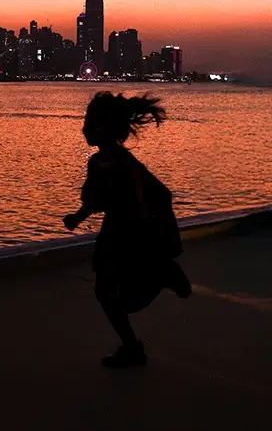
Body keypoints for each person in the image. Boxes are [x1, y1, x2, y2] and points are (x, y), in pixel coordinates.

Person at [63, 91, 191, 368]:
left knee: (114, 294)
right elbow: (99, 199)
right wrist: (78, 216)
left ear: (108, 128)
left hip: (128, 232)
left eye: (92, 123)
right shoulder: (100, 162)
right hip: (118, 230)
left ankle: (162, 275)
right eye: (86, 122)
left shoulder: (119, 162)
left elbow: (146, 194)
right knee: (108, 293)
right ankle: (132, 345)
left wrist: (146, 227)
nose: (85, 128)